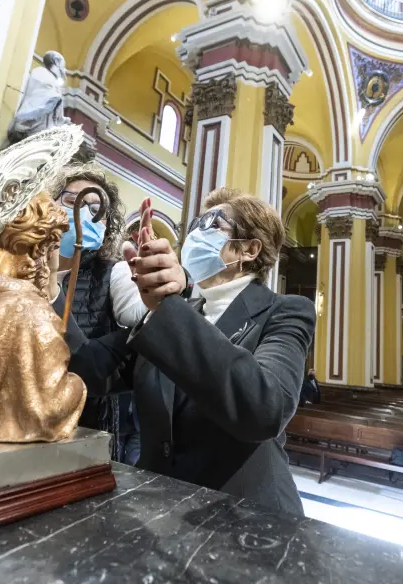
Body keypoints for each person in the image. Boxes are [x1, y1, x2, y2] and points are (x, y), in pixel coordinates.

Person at [58, 188, 316, 515]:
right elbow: (88, 369)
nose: (195, 234)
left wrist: (167, 307)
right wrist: (48, 286)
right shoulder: (175, 313)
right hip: (159, 509)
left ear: (249, 249)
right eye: (194, 224)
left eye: (212, 223)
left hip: (247, 518)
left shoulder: (284, 311)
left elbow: (265, 409)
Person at [52, 165, 143, 464]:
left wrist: (154, 292)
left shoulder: (113, 272)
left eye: (96, 207)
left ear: (106, 223)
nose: (83, 211)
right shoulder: (21, 266)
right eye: (71, 200)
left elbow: (136, 313)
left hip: (87, 420)